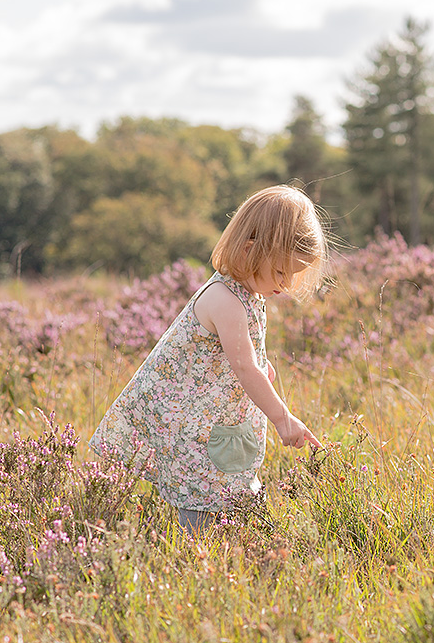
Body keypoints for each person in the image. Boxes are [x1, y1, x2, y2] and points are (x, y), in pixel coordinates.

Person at [89, 185, 327, 533]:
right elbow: (244, 368)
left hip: (218, 416)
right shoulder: (223, 299)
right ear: (250, 250)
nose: (288, 284)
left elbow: (246, 357)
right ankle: (195, 557)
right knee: (201, 498)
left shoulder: (249, 294)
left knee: (235, 482)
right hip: (192, 422)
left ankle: (244, 540)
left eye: (294, 274)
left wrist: (264, 367)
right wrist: (283, 418)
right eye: (281, 272)